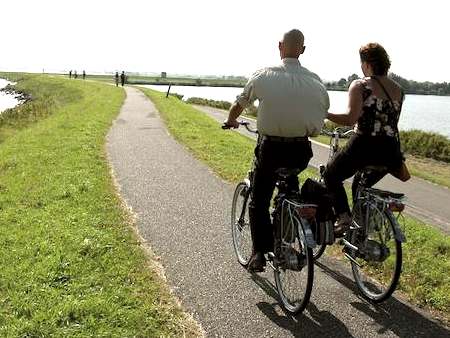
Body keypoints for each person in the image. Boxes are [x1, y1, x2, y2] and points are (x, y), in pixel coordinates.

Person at [225, 29, 329, 272]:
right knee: (289, 185)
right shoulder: (316, 81)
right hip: (301, 150)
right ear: (303, 50)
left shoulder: (264, 75)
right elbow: (322, 113)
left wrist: (231, 121)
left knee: (259, 200)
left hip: (271, 148)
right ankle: (287, 231)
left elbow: (240, 103)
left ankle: (259, 253)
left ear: (279, 46)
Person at [323, 42, 405, 235]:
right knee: (361, 184)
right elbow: (390, 124)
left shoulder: (361, 85)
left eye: (362, 63)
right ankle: (361, 229)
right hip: (390, 152)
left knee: (331, 175)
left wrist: (325, 114)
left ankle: (343, 219)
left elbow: (350, 118)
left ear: (367, 64)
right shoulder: (399, 90)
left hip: (363, 147)